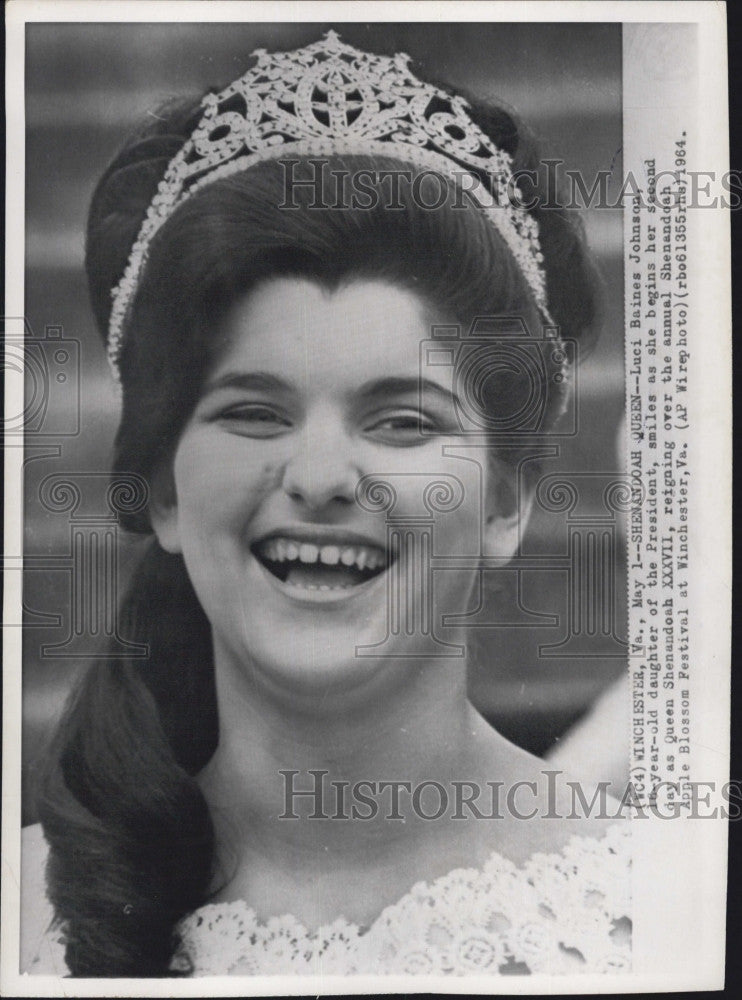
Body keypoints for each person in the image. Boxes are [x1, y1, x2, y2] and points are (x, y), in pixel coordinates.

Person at [21, 31, 630, 978]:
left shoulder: (643, 904)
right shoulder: (24, 917)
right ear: (169, 493)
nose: (320, 477)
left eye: (400, 422)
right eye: (255, 411)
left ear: (507, 498)